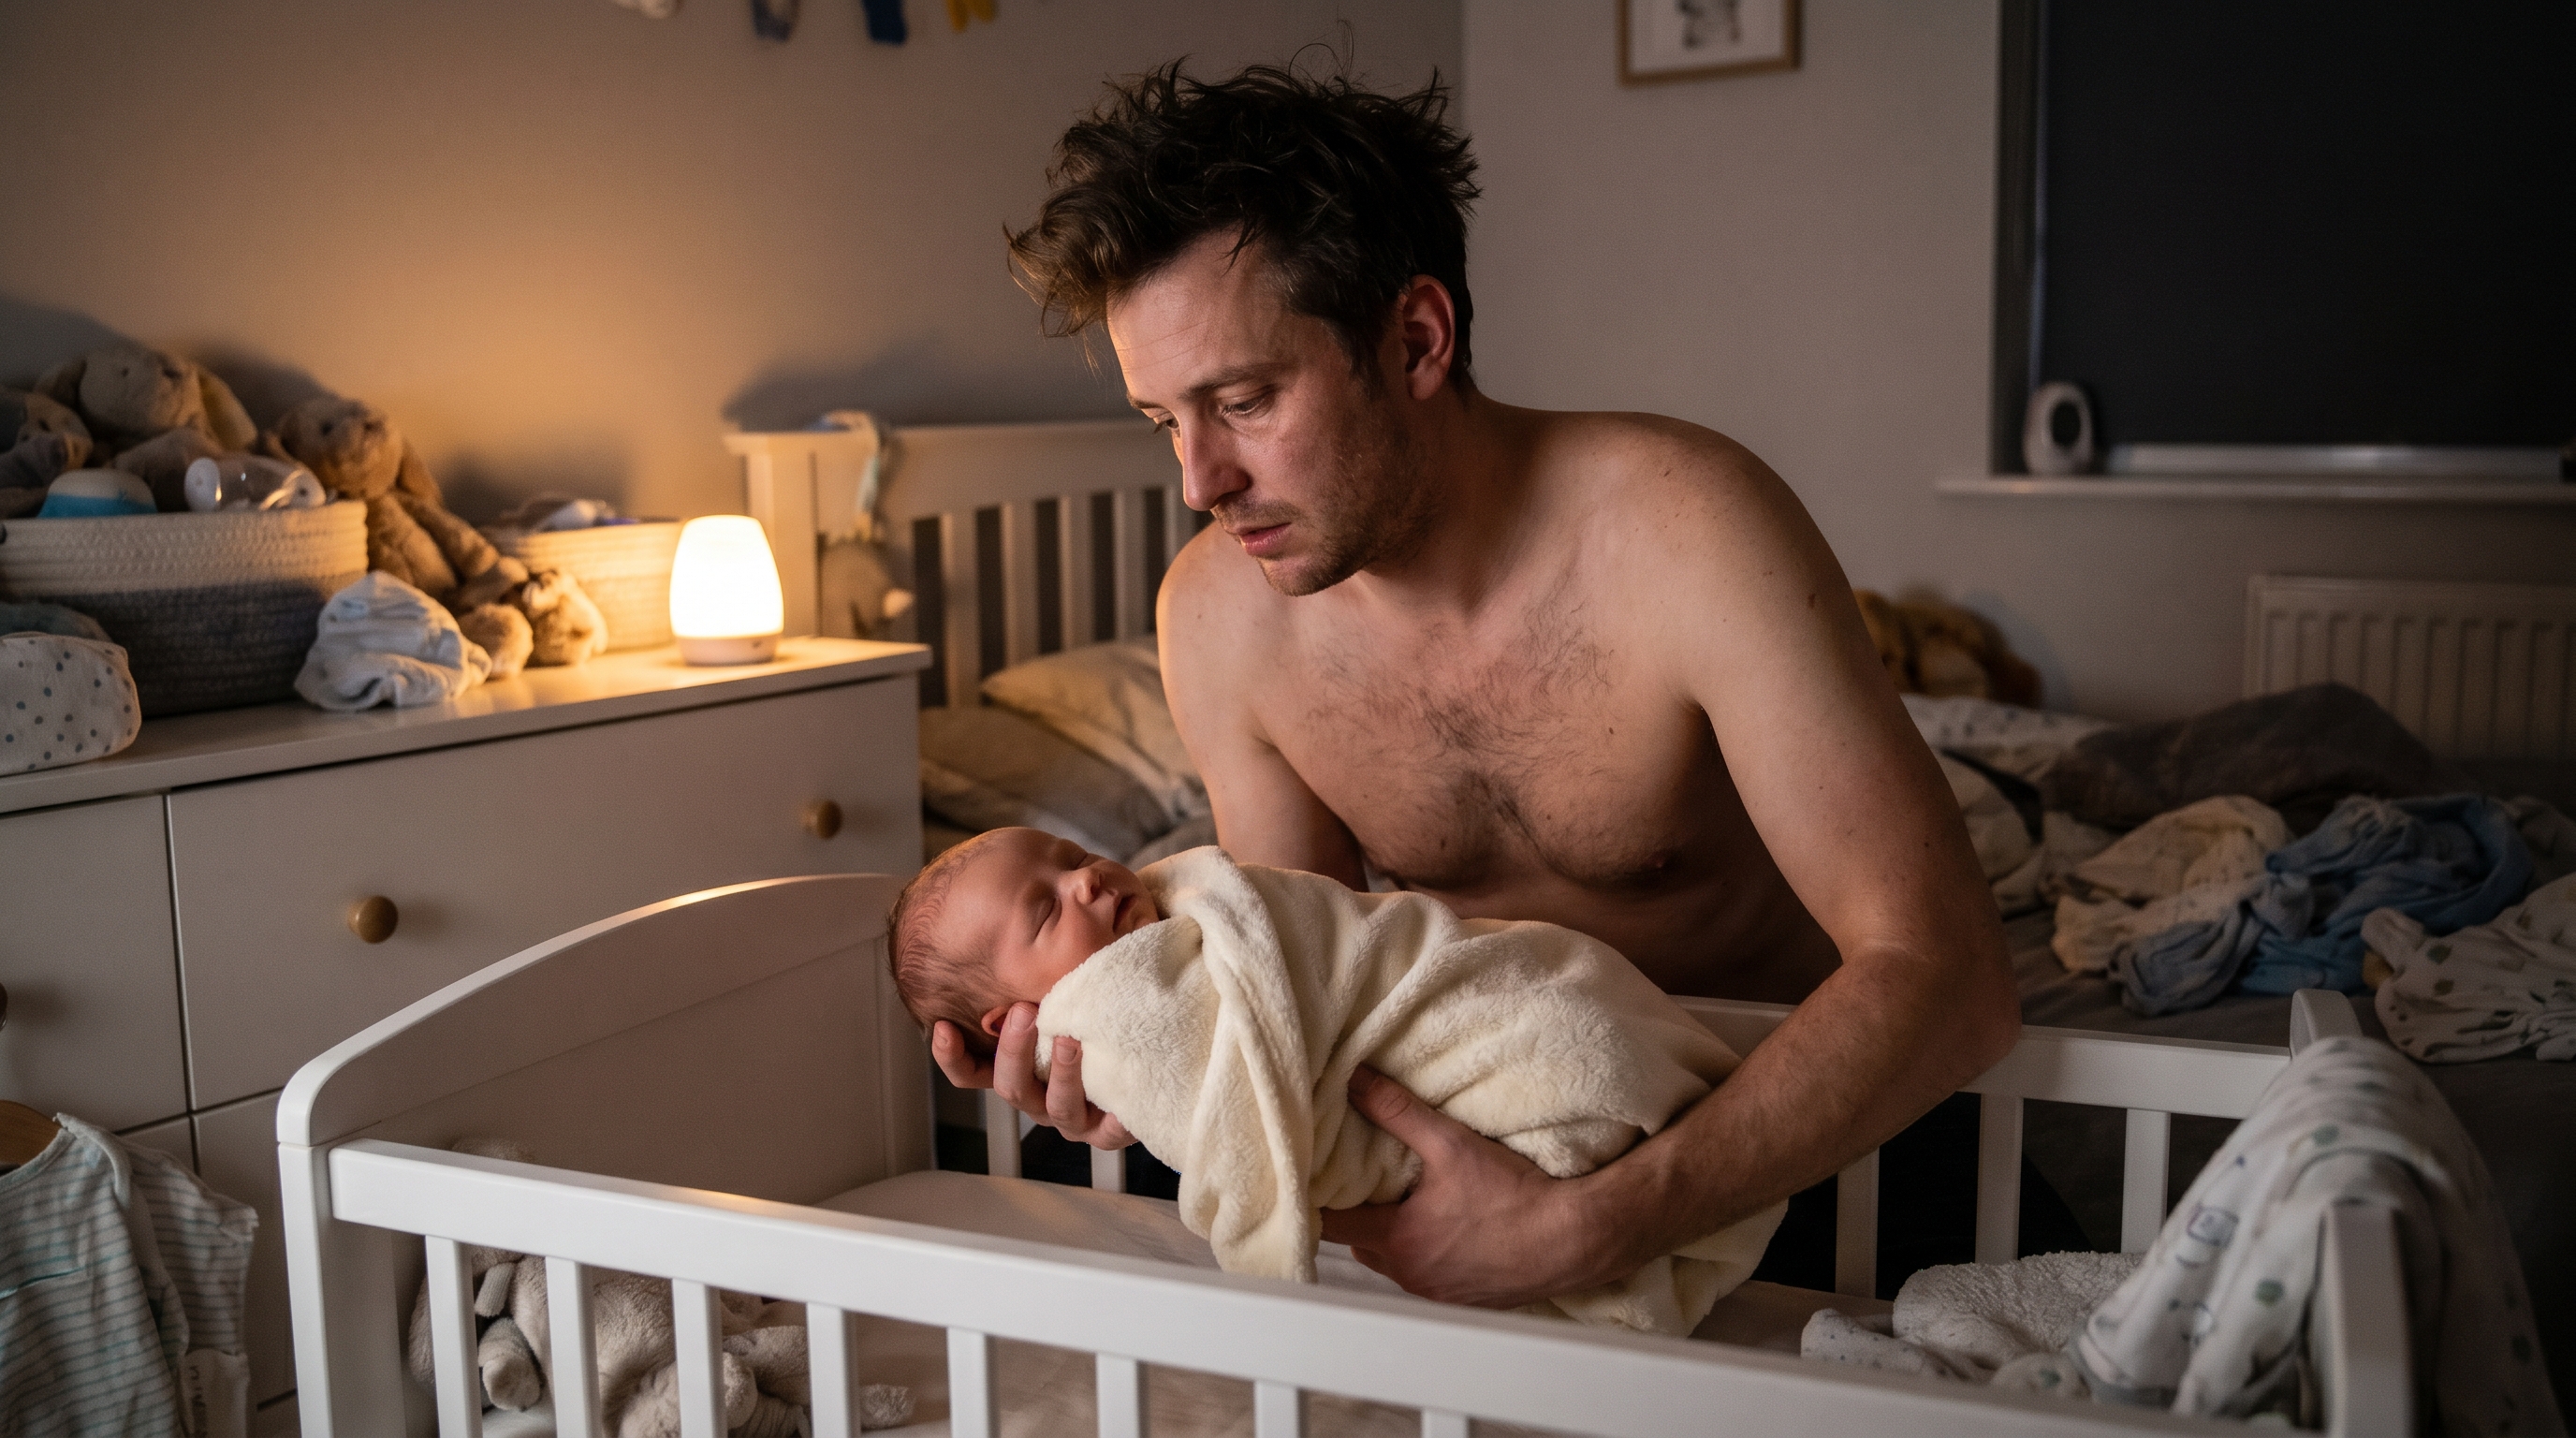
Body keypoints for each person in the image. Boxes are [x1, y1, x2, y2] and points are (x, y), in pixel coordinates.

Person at [934, 61, 2019, 1310]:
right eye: (1162, 422)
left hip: (1828, 1142)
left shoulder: (1687, 529)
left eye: (1241, 401)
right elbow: (1295, 992)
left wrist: (1598, 1227)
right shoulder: (1219, 623)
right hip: (1493, 1159)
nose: (1199, 482)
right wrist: (1160, 1060)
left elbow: (1948, 974)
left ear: (1416, 339)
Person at [888, 826, 1783, 1333]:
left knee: (1564, 1043)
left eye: (1070, 854)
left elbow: (1316, 947)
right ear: (1015, 1027)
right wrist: (1123, 1076)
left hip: (1530, 1011)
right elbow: (1252, 1084)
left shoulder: (1188, 907)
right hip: (1582, 1082)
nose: (1084, 878)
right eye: (1046, 909)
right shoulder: (1114, 1008)